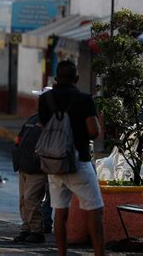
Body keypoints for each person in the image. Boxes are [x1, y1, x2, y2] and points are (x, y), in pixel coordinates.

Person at [38, 61, 104, 256]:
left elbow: (44, 129)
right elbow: (93, 131)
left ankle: (62, 253)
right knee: (95, 209)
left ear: (56, 79)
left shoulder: (45, 99)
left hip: (54, 163)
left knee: (60, 211)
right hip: (79, 161)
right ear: (76, 78)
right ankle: (100, 254)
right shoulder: (84, 99)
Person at [12, 86, 52, 244]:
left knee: (32, 199)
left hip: (37, 168)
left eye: (41, 99)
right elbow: (19, 139)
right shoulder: (33, 119)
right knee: (23, 199)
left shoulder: (51, 121)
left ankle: (37, 231)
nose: (38, 101)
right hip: (24, 166)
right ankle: (26, 228)